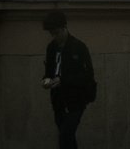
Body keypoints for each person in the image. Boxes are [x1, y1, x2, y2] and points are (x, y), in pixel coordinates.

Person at [41, 10, 95, 149]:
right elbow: (48, 72)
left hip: (76, 100)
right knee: (67, 138)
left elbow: (87, 75)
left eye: (57, 33)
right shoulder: (51, 48)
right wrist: (46, 80)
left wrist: (63, 80)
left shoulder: (79, 47)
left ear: (64, 28)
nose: (55, 37)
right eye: (52, 34)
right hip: (58, 100)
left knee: (65, 136)